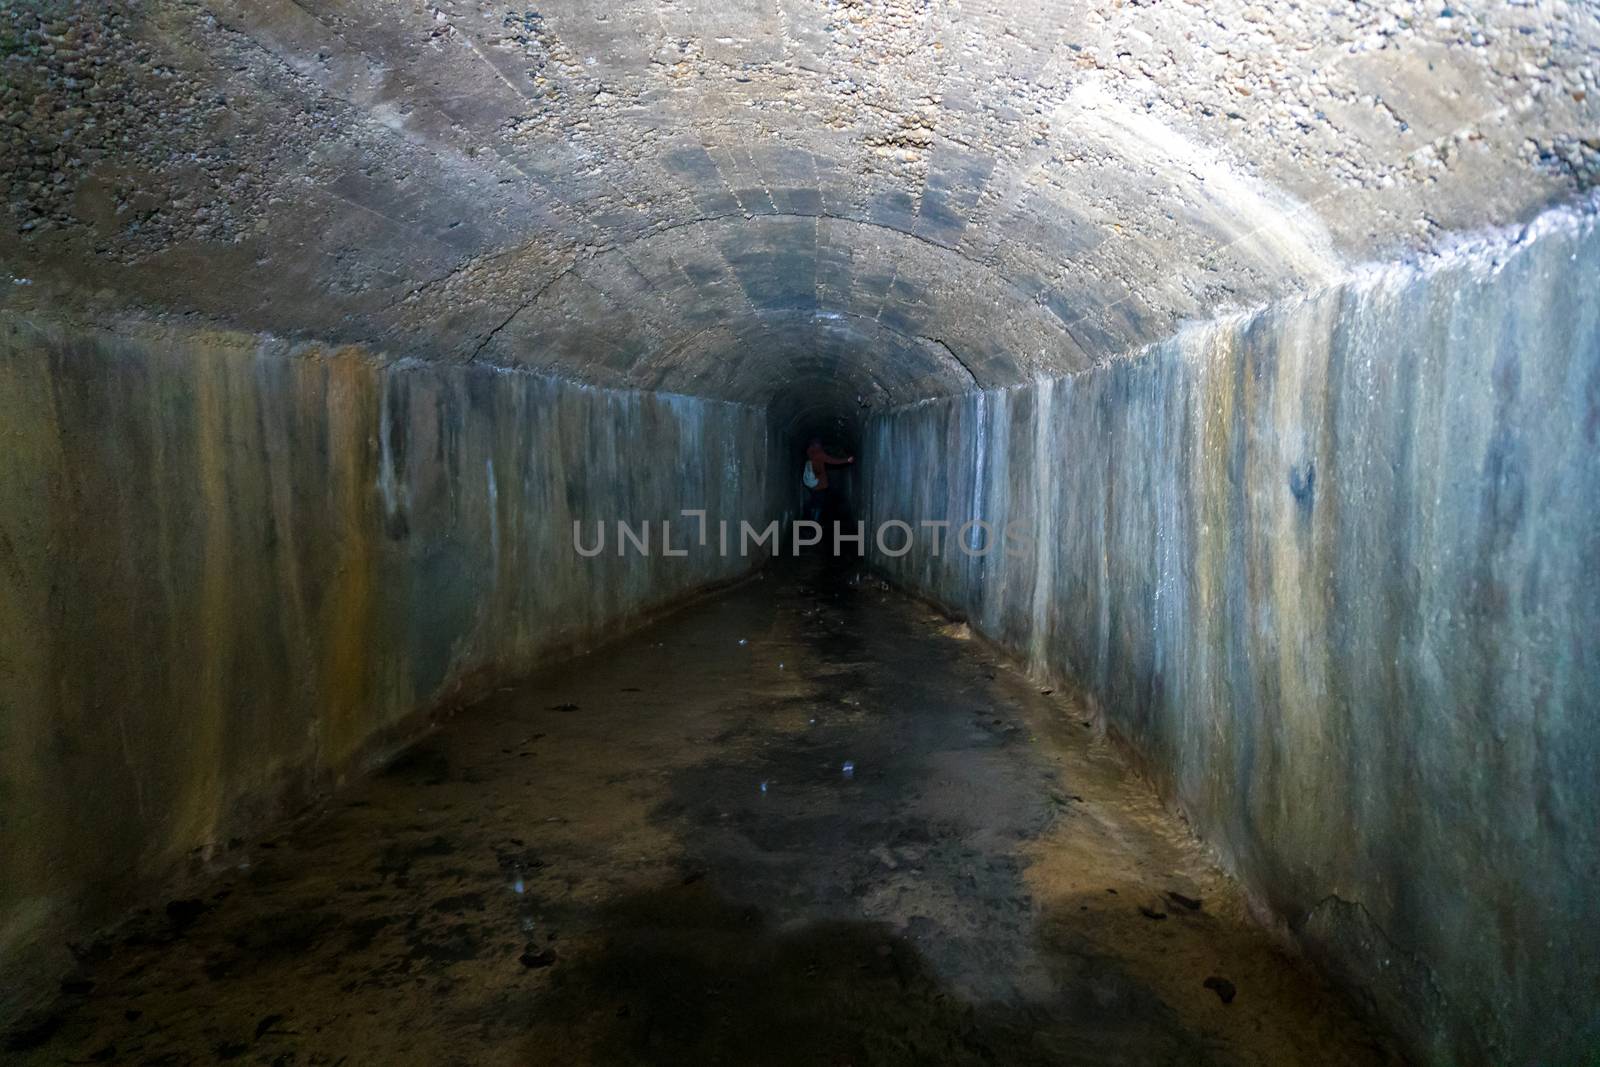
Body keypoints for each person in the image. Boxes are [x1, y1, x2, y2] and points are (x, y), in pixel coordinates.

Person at [804, 437, 854, 525]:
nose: (821, 445)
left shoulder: (809, 452)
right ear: (818, 444)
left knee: (814, 502)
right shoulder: (820, 454)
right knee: (819, 504)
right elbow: (833, 461)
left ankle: (812, 519)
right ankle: (815, 522)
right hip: (820, 484)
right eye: (819, 444)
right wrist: (846, 460)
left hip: (811, 483)